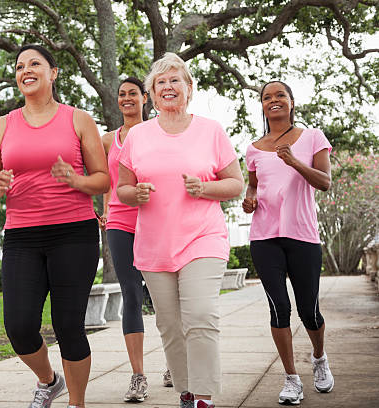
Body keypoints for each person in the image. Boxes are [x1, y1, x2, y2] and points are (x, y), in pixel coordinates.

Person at [0, 44, 109, 408]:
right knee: (19, 326)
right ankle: (48, 380)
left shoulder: (77, 119)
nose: (25, 70)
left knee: (68, 326)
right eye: (20, 66)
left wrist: (77, 181)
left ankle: (76, 403)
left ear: (53, 73)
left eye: (35, 63)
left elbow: (103, 179)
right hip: (22, 235)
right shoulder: (2, 126)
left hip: (74, 233)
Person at [116, 52, 244, 408]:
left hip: (203, 238)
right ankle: (186, 391)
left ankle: (203, 397)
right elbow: (122, 189)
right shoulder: (137, 136)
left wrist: (204, 188)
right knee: (170, 325)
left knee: (201, 316)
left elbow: (236, 183)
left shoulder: (211, 131)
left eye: (175, 80)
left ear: (189, 88)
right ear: (151, 94)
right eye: (160, 82)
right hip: (154, 245)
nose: (168, 87)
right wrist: (135, 194)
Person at [243, 80, 333, 406]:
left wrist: (295, 161)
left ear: (292, 102)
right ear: (263, 106)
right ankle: (292, 378)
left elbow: (324, 182)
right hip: (264, 237)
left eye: (280, 95)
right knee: (279, 307)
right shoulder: (253, 148)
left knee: (309, 310)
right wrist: (249, 199)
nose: (274, 100)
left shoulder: (312, 137)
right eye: (267, 97)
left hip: (303, 236)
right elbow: (252, 186)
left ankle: (319, 358)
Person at [100, 77, 152, 402]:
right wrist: (104, 209)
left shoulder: (156, 133)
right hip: (119, 222)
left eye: (133, 93)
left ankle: (175, 362)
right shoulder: (108, 139)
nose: (127, 98)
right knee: (131, 294)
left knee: (163, 297)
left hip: (154, 220)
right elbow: (107, 178)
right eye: (122, 94)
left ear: (145, 98)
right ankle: (138, 375)